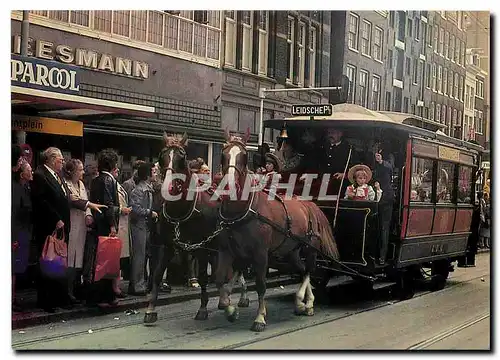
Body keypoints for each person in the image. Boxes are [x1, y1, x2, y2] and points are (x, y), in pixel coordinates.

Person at [31, 147, 103, 312]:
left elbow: (65, 197)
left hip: (64, 227)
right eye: (60, 159)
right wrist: (56, 219)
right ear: (51, 159)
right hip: (50, 227)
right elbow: (41, 201)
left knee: (58, 263)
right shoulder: (41, 175)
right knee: (48, 262)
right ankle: (46, 301)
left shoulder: (58, 177)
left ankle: (58, 297)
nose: (62, 162)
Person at [88, 148, 122, 307]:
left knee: (99, 258)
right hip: (106, 224)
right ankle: (106, 296)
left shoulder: (95, 180)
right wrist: (112, 225)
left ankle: (98, 294)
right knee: (108, 259)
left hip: (97, 222)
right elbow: (109, 204)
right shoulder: (109, 180)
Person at [63, 159, 93, 303]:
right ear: (73, 171)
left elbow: (86, 203)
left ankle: (75, 289)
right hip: (71, 224)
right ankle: (67, 291)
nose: (82, 172)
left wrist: (88, 215)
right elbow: (75, 201)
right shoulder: (66, 184)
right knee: (69, 259)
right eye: (80, 170)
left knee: (78, 259)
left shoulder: (81, 184)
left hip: (81, 226)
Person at [129, 162, 158, 295]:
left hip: (145, 226)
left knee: (143, 255)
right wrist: (149, 212)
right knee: (139, 256)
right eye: (154, 171)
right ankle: (137, 285)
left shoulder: (148, 188)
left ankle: (139, 283)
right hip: (139, 225)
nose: (156, 173)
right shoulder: (138, 190)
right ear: (147, 174)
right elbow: (135, 209)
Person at [12, 157, 33, 312]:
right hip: (17, 234)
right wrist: (13, 238)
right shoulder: (15, 189)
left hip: (24, 233)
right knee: (12, 268)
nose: (31, 171)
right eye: (28, 170)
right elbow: (14, 214)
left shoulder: (26, 188)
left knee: (17, 267)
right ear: (21, 174)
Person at [369, 141, 395, 265]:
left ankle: (382, 256)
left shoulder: (388, 156)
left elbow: (390, 168)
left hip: (386, 198)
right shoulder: (371, 159)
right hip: (373, 197)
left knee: (384, 228)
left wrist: (381, 162)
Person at [112, 166, 132, 298]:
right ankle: (114, 286)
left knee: (119, 258)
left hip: (123, 223)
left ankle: (116, 285)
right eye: (116, 170)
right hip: (117, 223)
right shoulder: (110, 184)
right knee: (114, 257)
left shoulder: (117, 184)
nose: (118, 172)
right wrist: (121, 209)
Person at [318, 128, 356, 198]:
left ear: (340, 134)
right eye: (329, 133)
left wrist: (344, 175)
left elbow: (354, 167)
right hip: (322, 183)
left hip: (340, 185)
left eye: (333, 133)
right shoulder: (322, 147)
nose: (330, 135)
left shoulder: (348, 149)